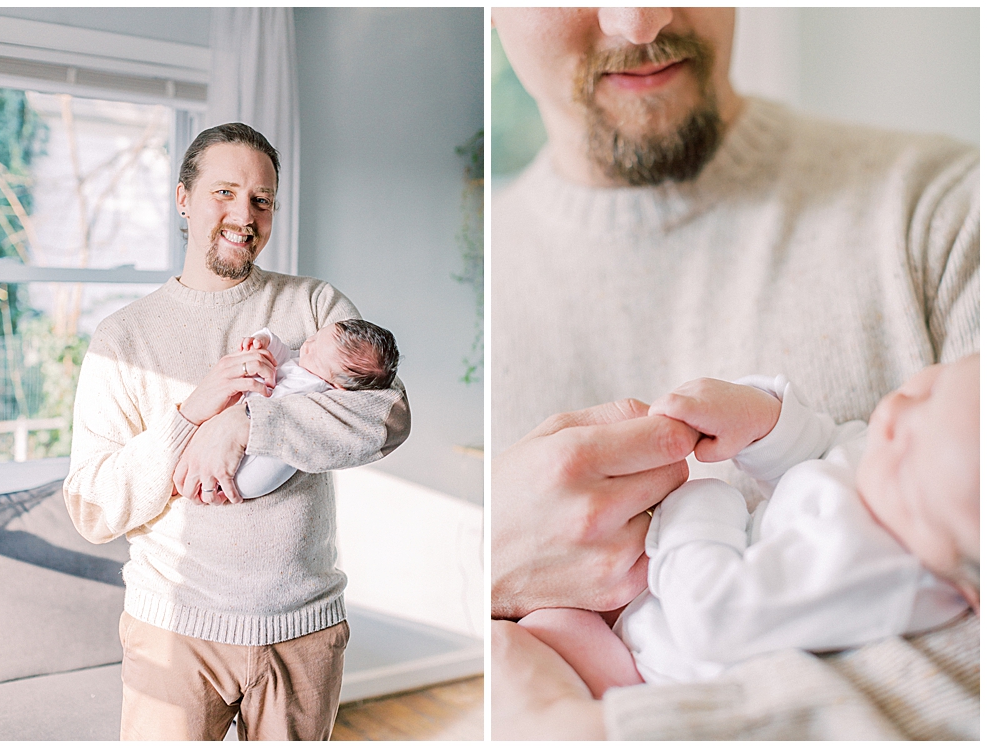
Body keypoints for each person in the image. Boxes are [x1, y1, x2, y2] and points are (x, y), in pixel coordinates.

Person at [490, 7, 979, 740]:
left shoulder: (949, 217)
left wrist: (573, 728)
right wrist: (481, 567)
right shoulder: (461, 287)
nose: (639, 18)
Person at [63, 122, 411, 741]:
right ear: (182, 199)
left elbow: (387, 420)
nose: (243, 215)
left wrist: (248, 421)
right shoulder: (122, 338)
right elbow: (92, 506)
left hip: (304, 631)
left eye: (261, 199)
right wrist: (192, 415)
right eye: (224, 192)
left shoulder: (315, 307)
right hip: (173, 630)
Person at [518, 356, 978, 697]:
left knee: (536, 633)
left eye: (905, 456)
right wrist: (764, 420)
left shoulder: (874, 572)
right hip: (662, 588)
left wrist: (701, 504)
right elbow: (828, 453)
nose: (894, 411)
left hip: (655, 674)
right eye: (932, 387)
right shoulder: (902, 484)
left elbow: (714, 616)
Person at [233, 319, 400, 498]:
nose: (307, 345)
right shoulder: (307, 363)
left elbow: (286, 414)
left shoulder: (317, 389)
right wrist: (262, 340)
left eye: (315, 355)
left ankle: (225, 483)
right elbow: (283, 356)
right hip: (247, 420)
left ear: (337, 386)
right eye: (316, 337)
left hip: (262, 464)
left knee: (250, 477)